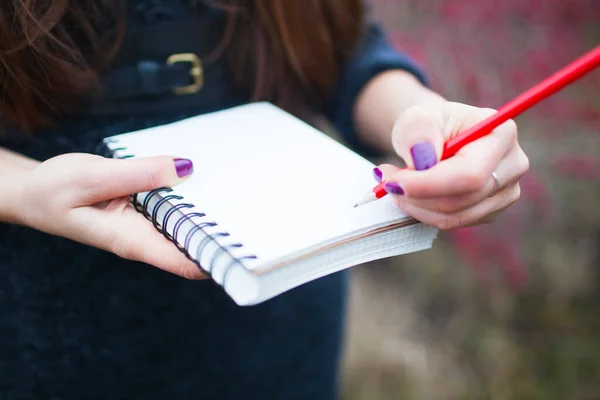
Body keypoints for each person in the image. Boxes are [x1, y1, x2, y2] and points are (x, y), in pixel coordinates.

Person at [0, 0, 529, 398]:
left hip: (283, 321)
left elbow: (339, 46)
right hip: (39, 331)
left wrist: (423, 117)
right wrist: (24, 190)